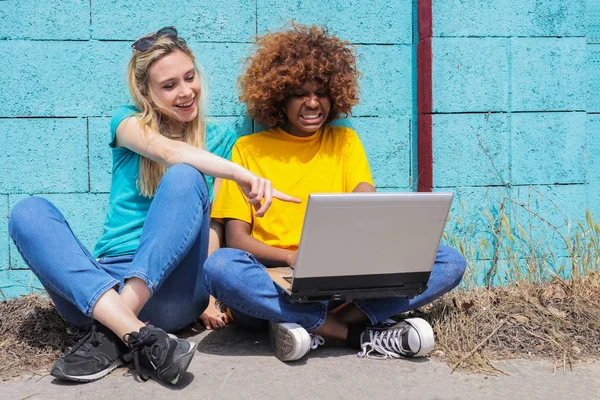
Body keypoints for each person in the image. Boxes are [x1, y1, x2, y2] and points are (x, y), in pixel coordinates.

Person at [7, 27, 298, 384]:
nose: (186, 91)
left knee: (186, 177)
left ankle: (113, 331)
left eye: (189, 77)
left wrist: (208, 302)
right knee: (27, 211)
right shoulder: (126, 122)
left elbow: (212, 227)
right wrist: (243, 175)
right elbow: (167, 151)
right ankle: (137, 333)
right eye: (169, 85)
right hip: (99, 289)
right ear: (146, 92)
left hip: (172, 292)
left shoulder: (220, 140)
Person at [204, 23, 467, 362]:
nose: (313, 103)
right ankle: (354, 333)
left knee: (448, 261)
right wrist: (290, 258)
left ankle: (307, 326)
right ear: (279, 97)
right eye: (300, 93)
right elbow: (237, 240)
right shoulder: (247, 149)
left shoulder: (345, 142)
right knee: (221, 266)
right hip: (272, 284)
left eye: (321, 93)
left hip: (338, 285)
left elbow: (364, 198)